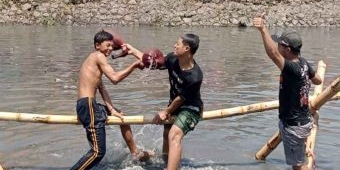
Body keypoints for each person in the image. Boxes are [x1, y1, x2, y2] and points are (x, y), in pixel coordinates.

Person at [71, 30, 149, 170]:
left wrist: (112, 110)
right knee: (98, 153)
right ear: (97, 45)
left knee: (121, 116)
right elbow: (114, 78)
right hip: (88, 106)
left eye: (112, 46)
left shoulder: (94, 62)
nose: (110, 49)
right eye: (107, 45)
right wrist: (134, 66)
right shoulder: (98, 56)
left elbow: (102, 89)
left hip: (90, 105)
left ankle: (134, 152)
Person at [253, 14, 322, 170]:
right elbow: (317, 79)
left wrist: (263, 29)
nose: (278, 47)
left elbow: (273, 54)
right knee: (298, 160)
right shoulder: (303, 63)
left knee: (298, 166)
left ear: (288, 49)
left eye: (280, 45)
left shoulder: (292, 68)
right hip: (303, 121)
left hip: (294, 126)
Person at [125, 33, 203, 170]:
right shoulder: (173, 58)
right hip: (174, 105)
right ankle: (167, 164)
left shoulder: (195, 76)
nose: (174, 45)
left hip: (191, 108)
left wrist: (166, 111)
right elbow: (152, 61)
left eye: (177, 44)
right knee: (167, 134)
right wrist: (132, 51)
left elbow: (181, 98)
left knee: (174, 135)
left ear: (186, 48)